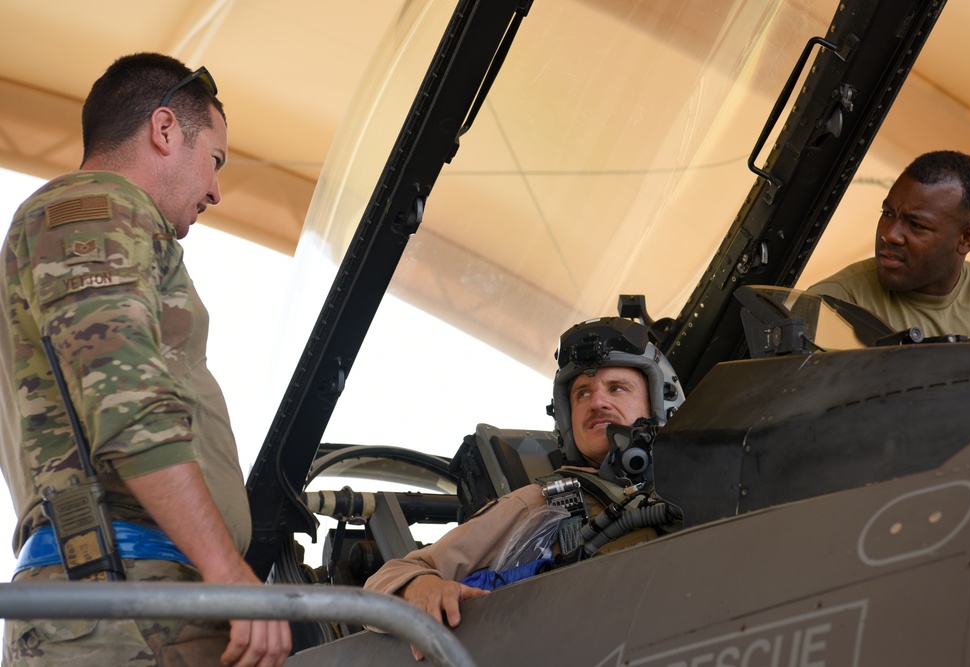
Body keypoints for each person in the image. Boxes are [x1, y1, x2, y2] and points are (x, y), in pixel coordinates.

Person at [0, 53, 291, 666]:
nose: (215, 190)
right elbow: (126, 405)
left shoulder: (107, 225)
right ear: (164, 131)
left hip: (138, 602)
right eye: (213, 161)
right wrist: (227, 570)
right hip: (125, 607)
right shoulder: (94, 207)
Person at [363, 316, 684, 659]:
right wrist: (421, 587)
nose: (597, 402)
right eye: (582, 393)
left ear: (657, 400)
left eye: (616, 388)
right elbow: (388, 579)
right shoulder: (542, 504)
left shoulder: (699, 488)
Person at [808, 150, 970, 341]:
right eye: (887, 214)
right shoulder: (832, 303)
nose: (889, 235)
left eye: (916, 225)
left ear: (968, 238)